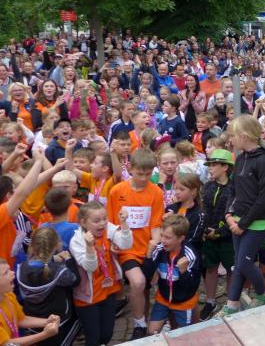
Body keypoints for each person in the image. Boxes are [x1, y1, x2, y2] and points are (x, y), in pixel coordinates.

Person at [218, 115, 265, 316]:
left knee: (243, 263)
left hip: (258, 222)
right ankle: (232, 304)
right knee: (238, 264)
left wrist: (242, 224)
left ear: (243, 136)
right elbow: (233, 189)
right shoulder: (241, 158)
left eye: (232, 136)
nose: (230, 140)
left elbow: (264, 198)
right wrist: (228, 214)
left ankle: (262, 293)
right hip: (238, 219)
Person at [106, 148, 164, 340]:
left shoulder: (156, 192)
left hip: (146, 248)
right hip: (126, 249)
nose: (144, 178)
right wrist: (112, 241)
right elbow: (110, 222)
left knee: (144, 289)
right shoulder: (117, 191)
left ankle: (143, 324)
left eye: (148, 174)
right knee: (137, 282)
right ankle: (139, 325)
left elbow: (155, 224)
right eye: (140, 174)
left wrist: (155, 244)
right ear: (130, 168)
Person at [71, 202, 133, 346]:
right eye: (96, 221)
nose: (102, 223)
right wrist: (89, 247)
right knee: (93, 337)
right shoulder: (77, 241)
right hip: (88, 298)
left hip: (108, 290)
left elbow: (126, 244)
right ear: (83, 222)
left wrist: (124, 224)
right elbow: (90, 267)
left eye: (105, 218)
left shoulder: (108, 229)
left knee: (107, 334)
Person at [16, 226, 81, 346]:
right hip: (58, 319)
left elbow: (40, 266)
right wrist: (68, 260)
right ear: (55, 245)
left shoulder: (22, 267)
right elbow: (75, 280)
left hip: (33, 320)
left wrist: (52, 259)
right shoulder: (58, 270)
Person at [147, 215, 202, 334]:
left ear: (180, 238)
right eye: (161, 235)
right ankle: (172, 324)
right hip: (163, 298)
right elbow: (148, 275)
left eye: (167, 237)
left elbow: (193, 286)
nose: (162, 240)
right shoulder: (159, 249)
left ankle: (194, 323)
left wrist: (184, 272)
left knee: (184, 336)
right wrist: (148, 255)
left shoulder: (190, 255)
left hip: (183, 302)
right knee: (152, 332)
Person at [199, 149, 235, 320]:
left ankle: (231, 302)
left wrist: (220, 232)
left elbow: (235, 214)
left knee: (231, 269)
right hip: (209, 236)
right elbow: (204, 210)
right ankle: (210, 301)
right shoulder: (208, 186)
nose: (210, 168)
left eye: (214, 165)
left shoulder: (234, 189)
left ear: (225, 167)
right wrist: (205, 230)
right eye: (210, 165)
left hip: (228, 238)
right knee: (211, 268)